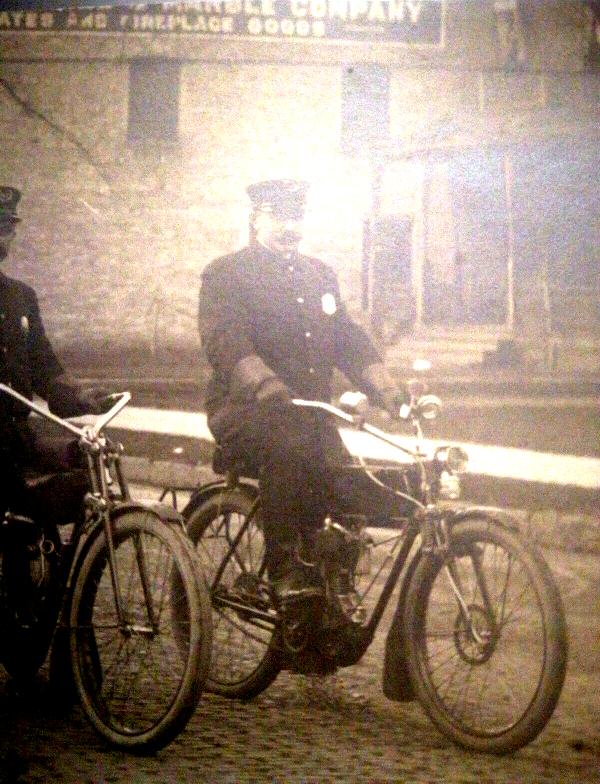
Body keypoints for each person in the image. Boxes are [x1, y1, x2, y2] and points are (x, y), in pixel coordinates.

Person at [198, 179, 407, 607]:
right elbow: (225, 340)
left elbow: (346, 338)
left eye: (296, 217)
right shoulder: (228, 273)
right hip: (245, 410)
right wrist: (264, 382)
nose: (289, 227)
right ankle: (286, 570)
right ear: (256, 220)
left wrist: (386, 389)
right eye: (277, 217)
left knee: (348, 480)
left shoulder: (319, 275)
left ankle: (334, 582)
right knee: (290, 450)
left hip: (307, 414)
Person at [0, 185, 106, 525]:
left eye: (6, 228)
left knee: (88, 462)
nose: (4, 236)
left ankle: (58, 556)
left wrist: (81, 398)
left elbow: (44, 368)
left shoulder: (20, 297)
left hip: (17, 440)